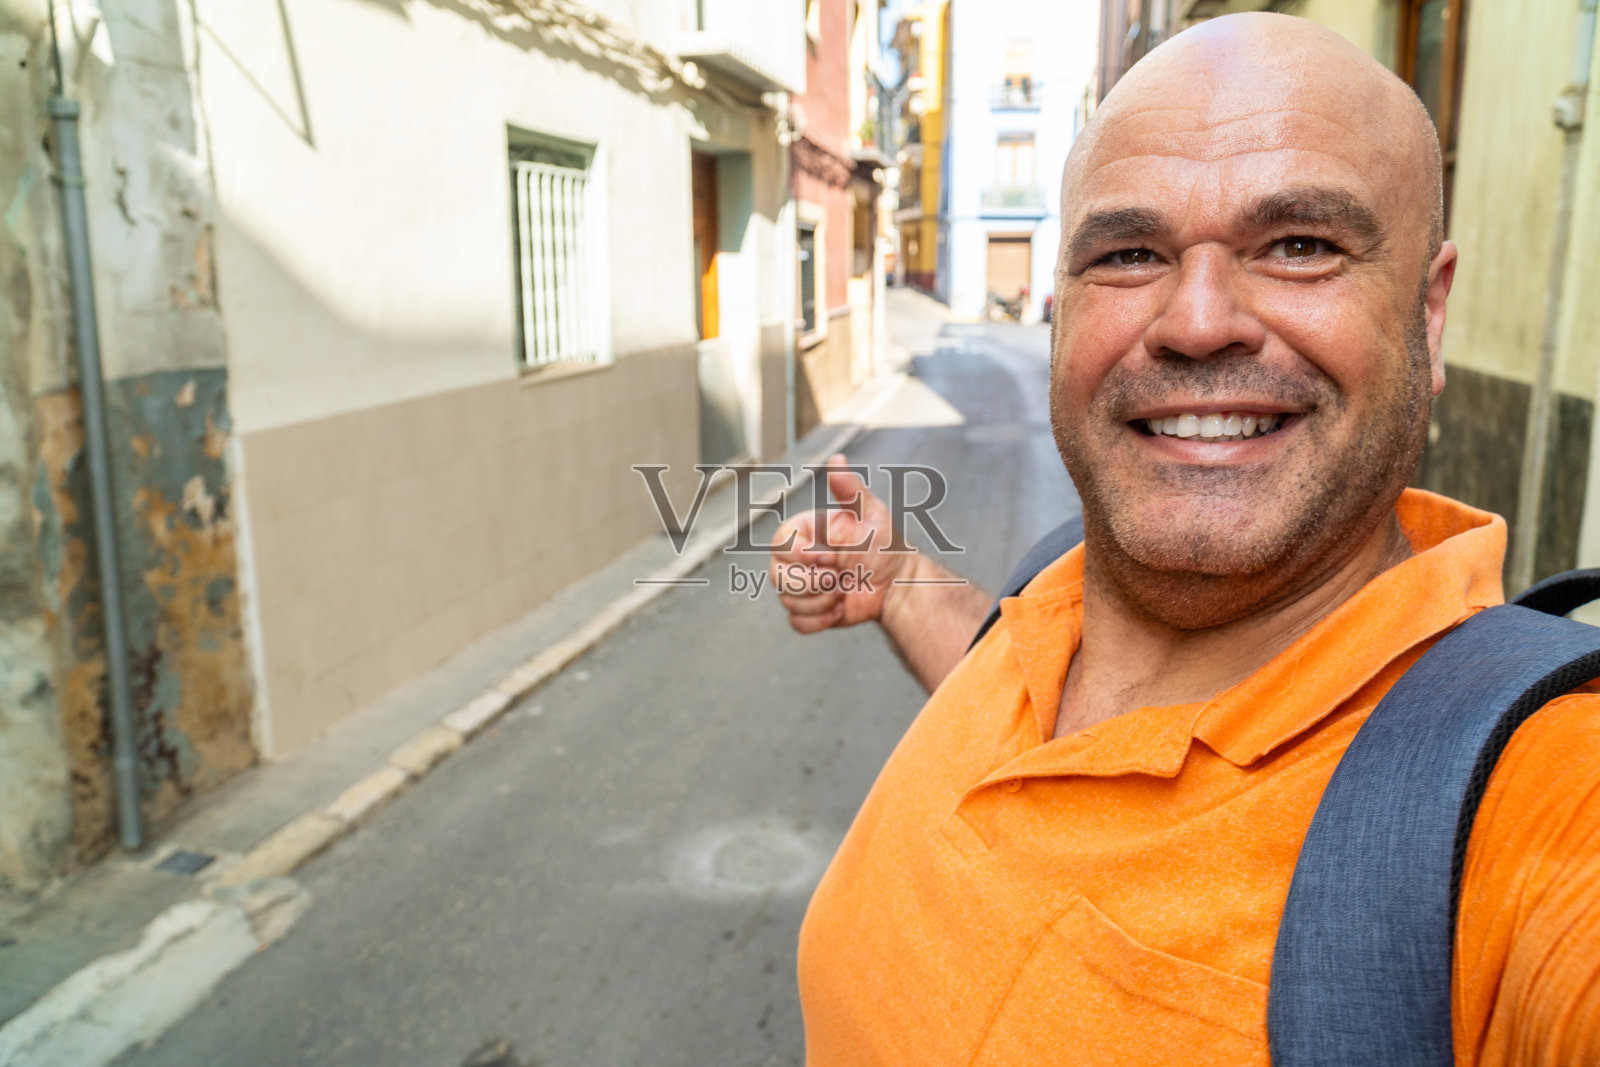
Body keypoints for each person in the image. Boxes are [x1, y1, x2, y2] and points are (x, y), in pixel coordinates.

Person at [768, 13, 1600, 1066]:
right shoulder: (1054, 591)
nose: (1197, 319)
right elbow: (1040, 734)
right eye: (1128, 253)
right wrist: (898, 583)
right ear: (1061, 311)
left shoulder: (1536, 801)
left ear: (1427, 317)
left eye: (1299, 245)